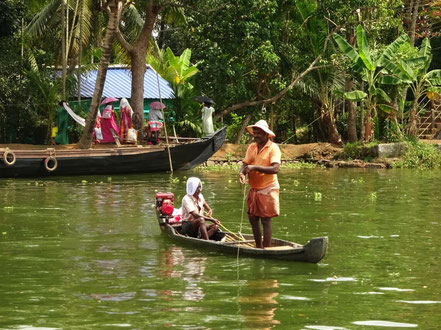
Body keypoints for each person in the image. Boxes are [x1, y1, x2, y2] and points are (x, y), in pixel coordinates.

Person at [239, 120, 281, 249]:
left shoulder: (273, 148)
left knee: (265, 219)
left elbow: (275, 169)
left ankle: (266, 248)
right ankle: (258, 247)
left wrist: (255, 168)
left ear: (266, 134)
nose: (256, 135)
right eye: (255, 133)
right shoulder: (252, 147)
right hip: (255, 188)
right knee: (253, 218)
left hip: (268, 187)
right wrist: (242, 173)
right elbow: (245, 163)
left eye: (259, 133)